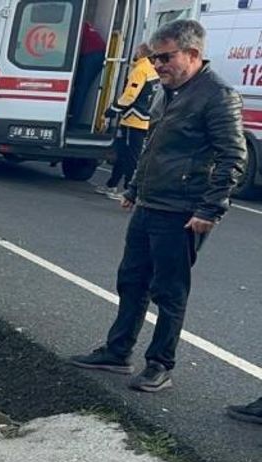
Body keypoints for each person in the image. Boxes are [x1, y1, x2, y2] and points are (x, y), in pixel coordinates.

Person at [70, 20, 245, 392]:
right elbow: (153, 147)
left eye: (165, 57)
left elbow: (232, 157)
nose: (157, 65)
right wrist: (134, 188)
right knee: (131, 281)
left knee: (169, 290)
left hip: (182, 211)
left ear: (192, 54)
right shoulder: (168, 91)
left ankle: (160, 364)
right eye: (153, 58)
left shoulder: (218, 96)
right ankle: (118, 351)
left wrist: (210, 209)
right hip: (150, 203)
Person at [95, 44, 159, 200]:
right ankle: (112, 184)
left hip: (133, 120)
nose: (134, 53)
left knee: (129, 157)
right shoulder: (151, 70)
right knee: (124, 155)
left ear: (141, 53)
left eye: (137, 51)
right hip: (141, 119)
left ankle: (127, 190)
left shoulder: (140, 70)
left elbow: (130, 95)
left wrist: (112, 110)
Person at [69, 21, 108, 131]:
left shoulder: (73, 23)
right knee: (81, 88)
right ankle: (72, 119)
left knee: (80, 88)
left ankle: (72, 122)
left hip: (91, 55)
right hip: (96, 54)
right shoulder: (83, 24)